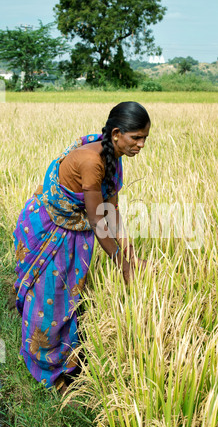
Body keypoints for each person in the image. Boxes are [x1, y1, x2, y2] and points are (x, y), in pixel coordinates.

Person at [13, 101, 151, 393]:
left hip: (71, 230)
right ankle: (50, 371)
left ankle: (64, 356)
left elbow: (112, 211)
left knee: (64, 295)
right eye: (136, 137)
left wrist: (130, 254)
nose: (141, 145)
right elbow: (97, 219)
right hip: (51, 229)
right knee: (50, 298)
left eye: (144, 139)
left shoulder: (112, 154)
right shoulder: (92, 161)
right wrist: (121, 263)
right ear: (116, 134)